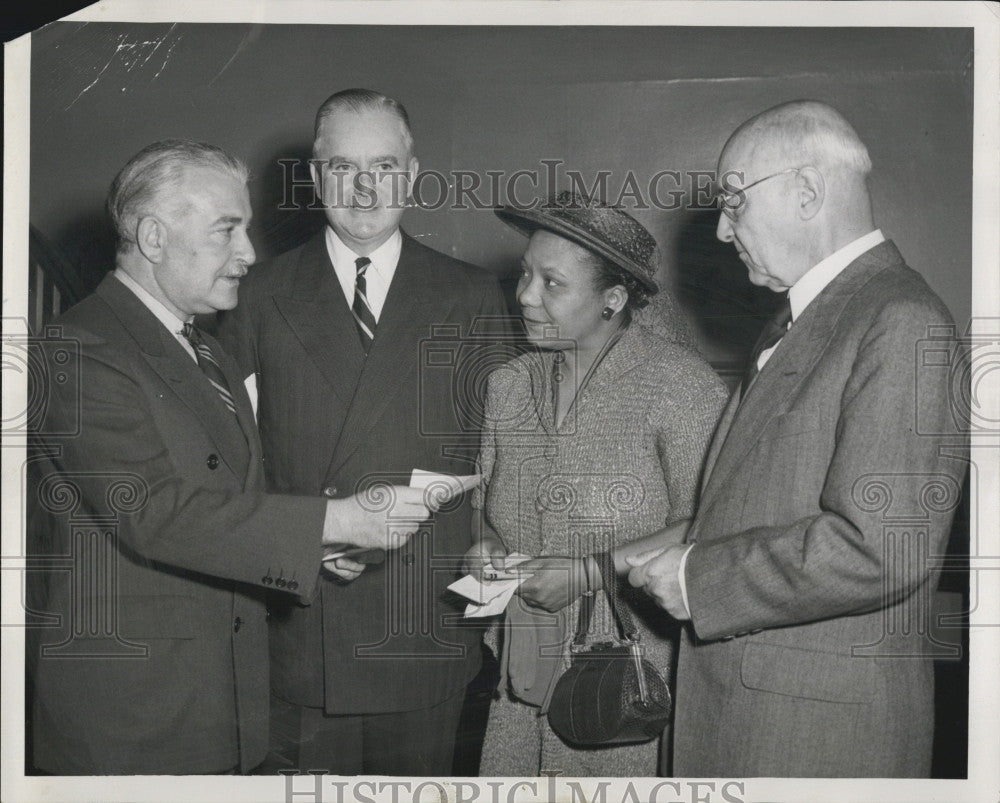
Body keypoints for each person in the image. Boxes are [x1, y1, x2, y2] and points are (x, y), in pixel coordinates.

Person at [27, 140, 434, 775]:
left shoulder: (207, 351)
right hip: (134, 721)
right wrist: (340, 522)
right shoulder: (76, 349)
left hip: (221, 710)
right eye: (227, 231)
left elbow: (230, 501)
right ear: (153, 237)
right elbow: (155, 511)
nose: (248, 252)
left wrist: (319, 545)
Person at [627, 100, 968, 777]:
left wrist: (699, 578)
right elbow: (757, 505)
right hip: (763, 723)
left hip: (814, 740)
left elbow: (882, 548)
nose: (723, 231)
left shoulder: (900, 318)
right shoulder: (811, 318)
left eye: (733, 202)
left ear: (807, 192)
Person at [216, 89, 508, 775]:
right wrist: (306, 539)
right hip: (301, 625)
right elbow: (229, 464)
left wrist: (495, 542)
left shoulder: (471, 295)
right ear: (316, 179)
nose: (366, 186)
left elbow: (503, 455)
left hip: (422, 622)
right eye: (344, 167)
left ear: (410, 173)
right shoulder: (254, 294)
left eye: (384, 165)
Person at [463, 191, 727, 776]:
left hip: (624, 682)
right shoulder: (508, 385)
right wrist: (483, 544)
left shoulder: (680, 385)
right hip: (521, 676)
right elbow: (481, 503)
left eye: (552, 283)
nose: (526, 295)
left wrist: (589, 571)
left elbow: (716, 519)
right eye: (526, 274)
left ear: (612, 300)